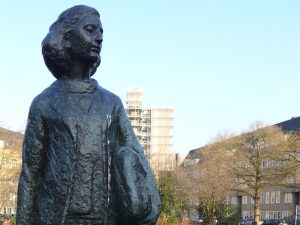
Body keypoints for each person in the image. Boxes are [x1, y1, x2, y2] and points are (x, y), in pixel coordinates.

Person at [16, 5, 161, 225]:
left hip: (104, 217)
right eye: (91, 30)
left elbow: (136, 157)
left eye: (101, 32)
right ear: (66, 38)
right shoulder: (44, 104)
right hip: (54, 218)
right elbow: (30, 175)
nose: (99, 38)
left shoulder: (111, 103)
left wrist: (152, 207)